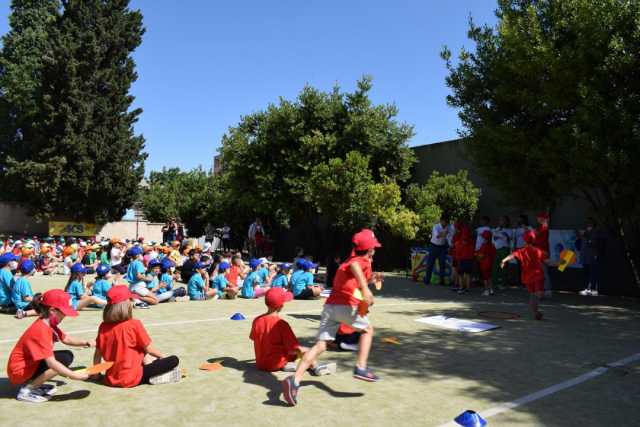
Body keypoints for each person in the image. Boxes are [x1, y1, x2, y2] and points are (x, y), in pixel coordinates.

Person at [282, 229, 383, 407]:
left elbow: (354, 275)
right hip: (345, 305)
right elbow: (355, 268)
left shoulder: (353, 260)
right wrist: (365, 289)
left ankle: (295, 381)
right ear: (369, 249)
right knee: (368, 330)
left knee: (321, 346)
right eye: (374, 247)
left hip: (330, 307)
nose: (374, 250)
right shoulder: (359, 261)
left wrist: (371, 280)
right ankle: (361, 367)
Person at [7, 289, 91, 403]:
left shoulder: (48, 322)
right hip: (19, 372)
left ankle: (34, 383)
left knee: (66, 356)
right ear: (52, 310)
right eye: (64, 313)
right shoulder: (42, 330)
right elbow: (52, 363)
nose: (65, 316)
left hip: (28, 365)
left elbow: (66, 339)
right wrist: (74, 375)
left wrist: (87, 342)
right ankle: (27, 390)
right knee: (60, 362)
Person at [92, 286, 181, 387]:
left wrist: (96, 374)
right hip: (133, 378)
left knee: (143, 354)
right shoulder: (134, 324)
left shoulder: (103, 326)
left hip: (111, 379)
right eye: (130, 300)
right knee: (174, 360)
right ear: (125, 304)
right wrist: (164, 358)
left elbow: (97, 354)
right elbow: (150, 349)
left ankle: (151, 371)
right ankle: (153, 377)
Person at [250, 287, 336, 375]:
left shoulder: (257, 320)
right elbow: (294, 348)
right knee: (305, 351)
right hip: (276, 363)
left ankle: (288, 364)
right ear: (281, 306)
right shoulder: (281, 324)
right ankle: (316, 367)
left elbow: (253, 338)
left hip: (260, 363)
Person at [501, 230, 551, 320]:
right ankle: (543, 300)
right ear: (534, 240)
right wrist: (560, 262)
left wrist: (503, 260)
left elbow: (512, 255)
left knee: (533, 295)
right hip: (537, 275)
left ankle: (536, 313)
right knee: (539, 294)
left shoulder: (522, 251)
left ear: (524, 240)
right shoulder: (538, 251)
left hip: (527, 277)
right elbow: (549, 262)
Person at [579, 217, 606, 296]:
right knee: (586, 273)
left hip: (592, 256)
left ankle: (593, 289)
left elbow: (593, 244)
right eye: (587, 223)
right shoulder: (585, 233)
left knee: (593, 273)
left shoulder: (595, 233)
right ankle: (586, 289)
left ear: (593, 224)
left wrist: (587, 238)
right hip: (585, 256)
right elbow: (581, 244)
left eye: (589, 223)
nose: (587, 225)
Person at [424, 215, 452, 286]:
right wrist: (445, 232)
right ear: (441, 221)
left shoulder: (448, 227)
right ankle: (427, 280)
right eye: (445, 222)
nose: (446, 224)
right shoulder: (436, 226)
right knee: (430, 264)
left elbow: (449, 237)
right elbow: (437, 236)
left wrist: (450, 244)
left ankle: (441, 281)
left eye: (447, 222)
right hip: (434, 246)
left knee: (442, 264)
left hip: (442, 247)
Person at [492, 216, 513, 289]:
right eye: (500, 220)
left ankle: (503, 283)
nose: (501, 222)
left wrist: (500, 235)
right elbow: (494, 237)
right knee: (495, 266)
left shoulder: (509, 230)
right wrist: (500, 235)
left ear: (507, 222)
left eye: (503, 220)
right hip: (497, 249)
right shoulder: (497, 229)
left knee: (503, 266)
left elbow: (508, 238)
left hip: (504, 249)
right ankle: (494, 282)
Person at [534, 212, 552, 297]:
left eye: (539, 217)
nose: (537, 219)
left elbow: (537, 238)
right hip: (540, 252)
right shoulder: (541, 228)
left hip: (543, 252)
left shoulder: (544, 227)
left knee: (543, 271)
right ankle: (542, 290)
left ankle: (546, 290)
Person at [454, 222, 474, 295]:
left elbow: (458, 252)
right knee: (468, 274)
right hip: (469, 259)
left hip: (462, 259)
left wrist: (457, 257)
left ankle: (461, 287)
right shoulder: (471, 242)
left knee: (461, 275)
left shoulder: (459, 242)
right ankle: (467, 289)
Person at [476, 230, 497, 296]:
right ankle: (491, 290)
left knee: (485, 278)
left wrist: (477, 257)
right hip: (491, 263)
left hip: (484, 263)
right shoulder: (492, 245)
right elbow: (494, 254)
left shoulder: (484, 245)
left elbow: (481, 256)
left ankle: (486, 290)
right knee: (489, 277)